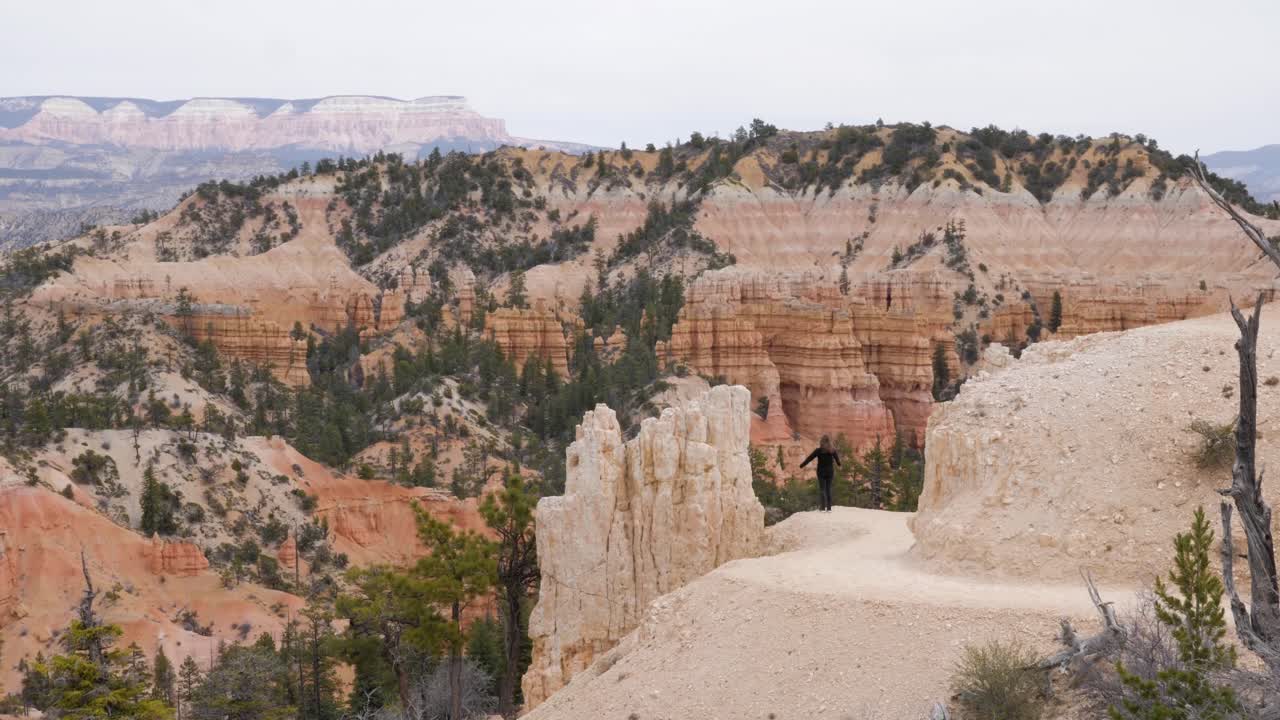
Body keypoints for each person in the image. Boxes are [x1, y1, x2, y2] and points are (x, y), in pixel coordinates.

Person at [800, 435, 840, 512]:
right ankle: (829, 508)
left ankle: (822, 508)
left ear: (821, 442)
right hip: (830, 472)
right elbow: (837, 459)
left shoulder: (818, 450)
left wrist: (802, 465)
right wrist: (839, 465)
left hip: (821, 472)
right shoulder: (832, 450)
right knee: (828, 489)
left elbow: (809, 458)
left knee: (822, 489)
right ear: (829, 442)